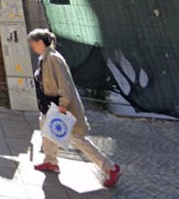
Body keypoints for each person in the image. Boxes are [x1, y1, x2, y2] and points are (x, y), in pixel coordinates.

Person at [28, 28, 121, 187]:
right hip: (48, 105)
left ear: (41, 42)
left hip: (58, 105)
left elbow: (65, 84)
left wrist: (63, 105)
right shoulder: (45, 57)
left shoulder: (54, 58)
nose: (32, 46)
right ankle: (51, 161)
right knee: (46, 130)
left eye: (33, 43)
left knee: (77, 139)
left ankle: (111, 168)